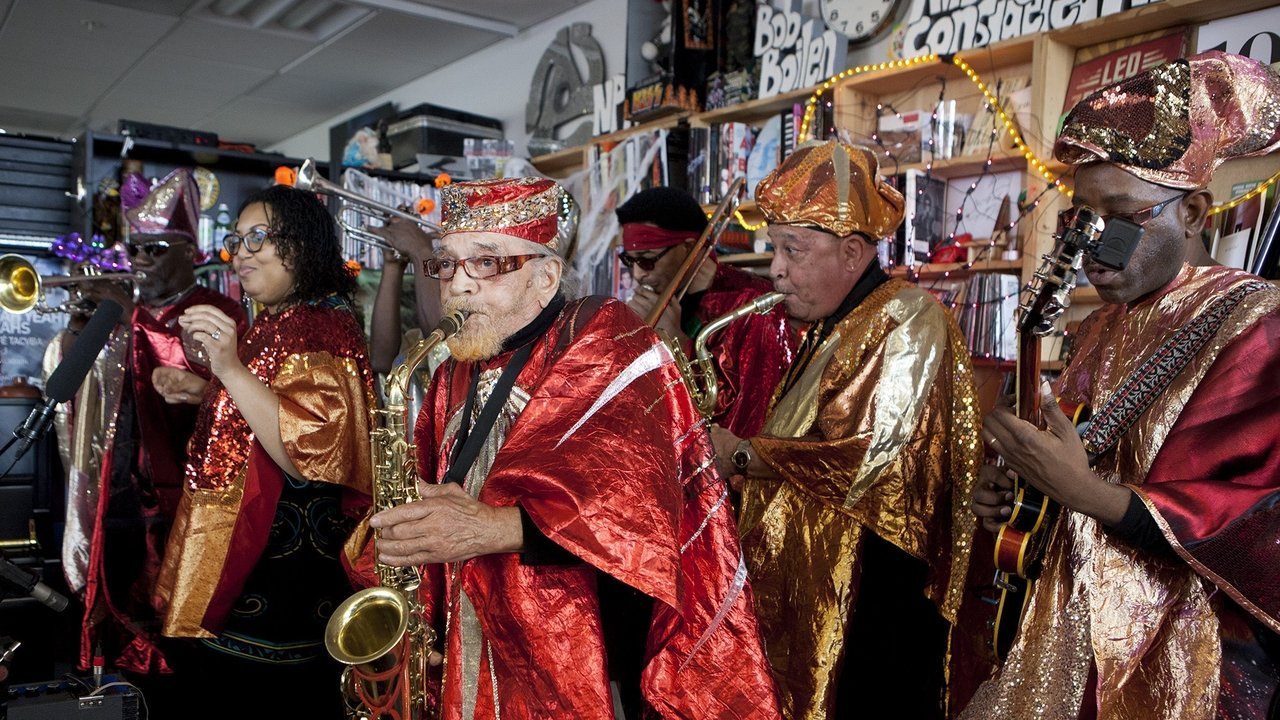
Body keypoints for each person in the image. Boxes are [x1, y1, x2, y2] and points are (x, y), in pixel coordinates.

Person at [363, 176, 781, 719]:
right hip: (469, 642)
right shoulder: (451, 372)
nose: (457, 286)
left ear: (546, 276)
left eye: (486, 262)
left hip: (585, 650)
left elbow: (639, 513)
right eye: (446, 262)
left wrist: (489, 529)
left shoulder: (605, 337)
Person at [965, 51, 1280, 719]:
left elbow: (1255, 517)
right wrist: (1024, 497)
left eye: (1126, 216)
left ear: (1193, 212)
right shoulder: (1101, 327)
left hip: (1181, 666)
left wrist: (1080, 491)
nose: (1096, 243)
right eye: (1083, 218)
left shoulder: (1259, 320)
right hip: (1065, 643)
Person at [709, 140, 984, 719]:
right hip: (820, 593)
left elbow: (869, 456)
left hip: (874, 604)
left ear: (853, 252)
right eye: (772, 248)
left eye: (793, 250)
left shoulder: (910, 316)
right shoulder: (837, 323)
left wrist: (739, 456)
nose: (776, 269)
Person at [151, 184, 376, 718]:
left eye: (259, 237)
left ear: (301, 247)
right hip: (256, 549)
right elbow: (267, 406)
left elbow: (310, 451)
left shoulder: (320, 325)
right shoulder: (283, 319)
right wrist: (207, 387)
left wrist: (227, 369)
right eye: (237, 239)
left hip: (280, 569)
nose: (242, 252)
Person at [51, 167, 246, 712]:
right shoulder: (122, 311)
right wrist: (83, 321)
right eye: (135, 248)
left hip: (185, 501)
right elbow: (73, 380)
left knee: (178, 627)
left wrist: (125, 311)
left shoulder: (218, 310)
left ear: (191, 252)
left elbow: (231, 393)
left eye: (156, 249)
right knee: (117, 609)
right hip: (117, 495)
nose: (140, 260)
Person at [616, 186, 795, 437]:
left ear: (689, 247)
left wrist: (677, 341)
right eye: (629, 261)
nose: (638, 275)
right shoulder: (661, 300)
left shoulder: (752, 304)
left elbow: (748, 417)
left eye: (648, 259)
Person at [367, 216, 442, 374]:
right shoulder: (418, 336)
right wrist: (394, 265)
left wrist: (421, 249)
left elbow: (444, 344)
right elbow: (382, 361)